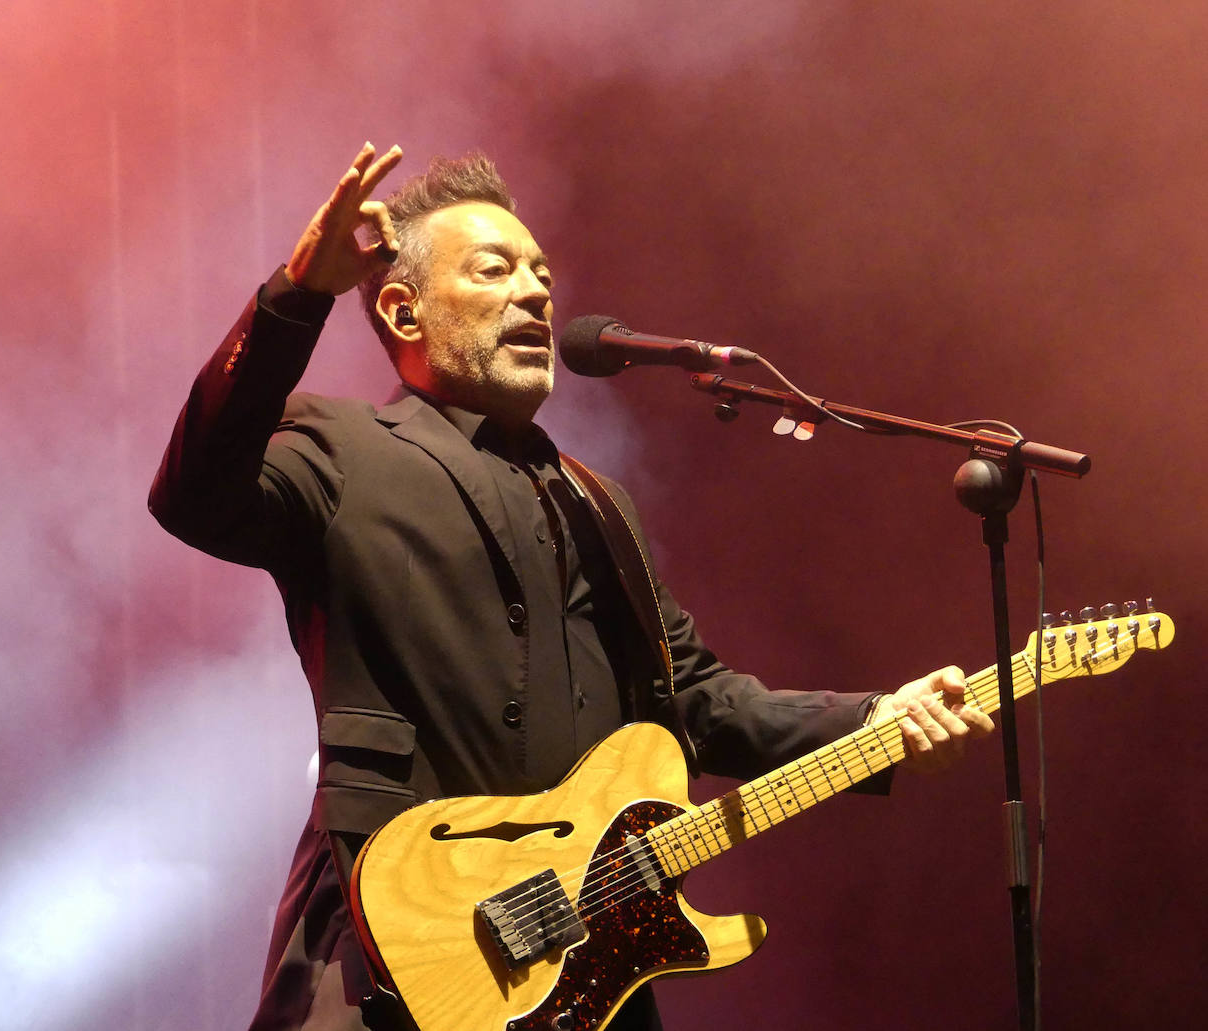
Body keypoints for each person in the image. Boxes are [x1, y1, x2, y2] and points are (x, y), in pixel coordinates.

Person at [149, 143, 994, 1031]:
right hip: (388, 961)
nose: (536, 291)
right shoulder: (338, 450)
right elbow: (193, 492)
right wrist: (296, 295)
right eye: (495, 268)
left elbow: (697, 704)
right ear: (403, 308)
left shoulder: (598, 503)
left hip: (581, 973)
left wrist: (876, 719)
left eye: (542, 272)